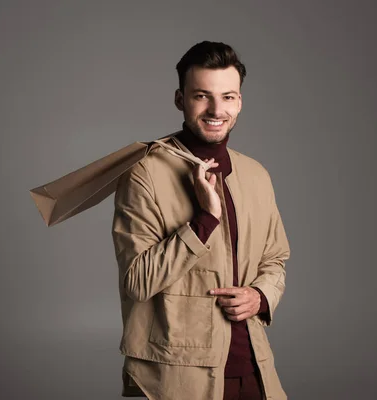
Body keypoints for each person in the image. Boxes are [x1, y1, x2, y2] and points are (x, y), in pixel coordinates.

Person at [111, 41, 290, 400]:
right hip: (172, 379)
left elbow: (275, 260)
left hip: (254, 370)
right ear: (180, 99)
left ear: (240, 101)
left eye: (228, 97)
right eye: (201, 96)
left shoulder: (256, 175)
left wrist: (260, 296)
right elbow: (137, 281)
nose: (216, 109)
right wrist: (204, 220)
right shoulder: (144, 174)